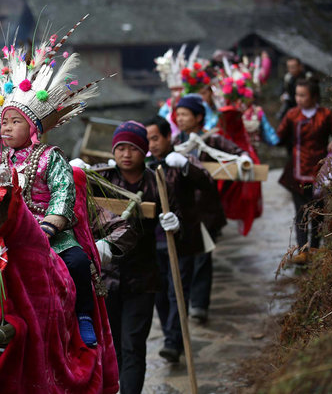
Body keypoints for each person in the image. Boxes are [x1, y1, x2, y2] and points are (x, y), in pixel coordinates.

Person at [0, 26, 109, 347]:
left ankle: (83, 315)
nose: (8, 127)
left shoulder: (51, 157)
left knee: (77, 262)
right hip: (9, 232)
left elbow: (63, 198)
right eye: (4, 121)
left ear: (34, 127)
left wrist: (48, 228)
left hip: (49, 232)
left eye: (16, 122)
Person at [92, 121, 180, 393]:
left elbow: (178, 219)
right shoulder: (102, 179)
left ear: (145, 151)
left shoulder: (159, 182)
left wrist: (175, 224)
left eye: (133, 148)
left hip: (142, 277)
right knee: (112, 344)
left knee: (133, 344)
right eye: (120, 148)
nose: (126, 154)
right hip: (106, 276)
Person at [144, 115, 217, 362]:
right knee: (160, 294)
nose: (151, 144)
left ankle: (173, 341)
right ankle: (172, 336)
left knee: (178, 291)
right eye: (147, 140)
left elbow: (207, 182)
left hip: (181, 239)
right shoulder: (142, 167)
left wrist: (185, 165)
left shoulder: (181, 161)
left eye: (155, 138)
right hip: (152, 242)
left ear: (167, 137)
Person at [173, 94, 247, 322]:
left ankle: (199, 305)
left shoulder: (212, 141)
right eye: (178, 114)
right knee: (184, 259)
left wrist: (244, 159)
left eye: (185, 114)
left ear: (199, 117)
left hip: (206, 211)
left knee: (203, 258)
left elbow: (237, 153)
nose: (180, 118)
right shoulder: (176, 144)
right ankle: (183, 303)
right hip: (184, 212)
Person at [277, 77, 332, 251]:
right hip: (297, 170)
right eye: (297, 95)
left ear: (314, 97)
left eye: (303, 95)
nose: (298, 99)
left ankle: (314, 248)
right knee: (301, 212)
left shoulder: (326, 115)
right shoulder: (292, 115)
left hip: (319, 169)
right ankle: (303, 250)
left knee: (318, 212)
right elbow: (279, 138)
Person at [277, 57, 307, 121]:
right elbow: (283, 90)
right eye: (289, 67)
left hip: (305, 106)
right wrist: (282, 96)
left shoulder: (307, 78)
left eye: (293, 67)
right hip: (291, 105)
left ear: (300, 66)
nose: (291, 69)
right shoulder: (288, 78)